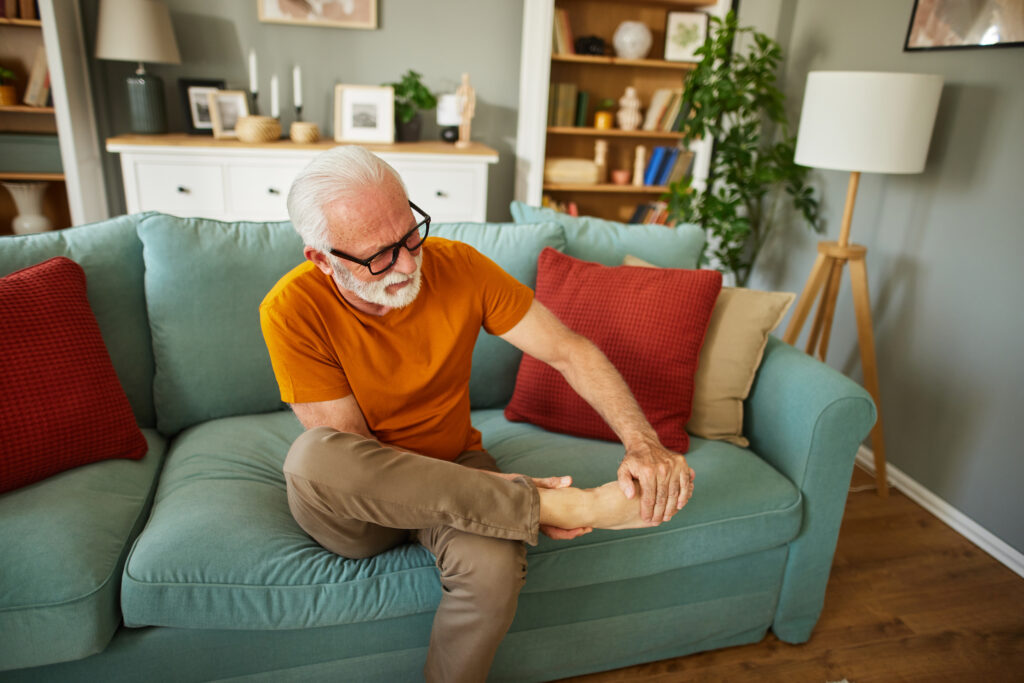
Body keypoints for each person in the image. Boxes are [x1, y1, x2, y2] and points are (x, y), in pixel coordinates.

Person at [259, 145, 695, 683]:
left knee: (493, 571)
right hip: (362, 505)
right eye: (379, 256)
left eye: (410, 235)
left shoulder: (458, 266)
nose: (407, 262)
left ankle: (524, 508)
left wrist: (643, 442)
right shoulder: (290, 309)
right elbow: (356, 454)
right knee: (311, 457)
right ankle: (560, 506)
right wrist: (511, 498)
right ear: (322, 260)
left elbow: (568, 350)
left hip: (459, 465)